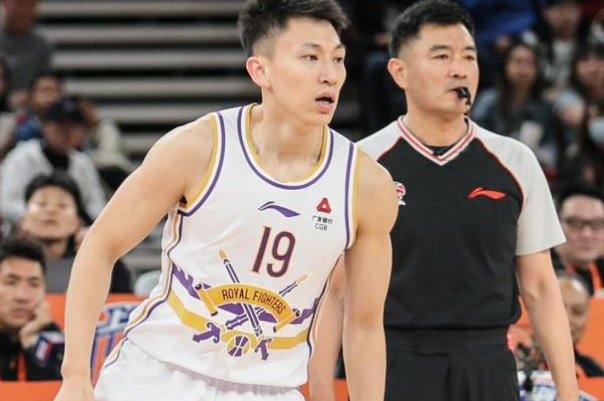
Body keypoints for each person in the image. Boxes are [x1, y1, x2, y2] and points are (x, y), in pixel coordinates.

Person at [54, 1, 398, 401]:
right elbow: (100, 246)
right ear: (260, 70)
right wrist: (74, 375)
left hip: (271, 389)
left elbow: (364, 325)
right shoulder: (198, 147)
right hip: (157, 376)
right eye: (310, 57)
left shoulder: (367, 185)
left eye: (337, 59)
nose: (330, 74)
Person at [310, 1, 578, 401]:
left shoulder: (515, 160)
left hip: (489, 363)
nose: (460, 69)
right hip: (390, 362)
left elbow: (539, 285)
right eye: (442, 56)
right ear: (399, 72)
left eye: (468, 57)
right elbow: (335, 291)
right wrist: (320, 389)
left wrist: (568, 391)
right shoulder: (361, 163)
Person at [0, 96, 107, 228]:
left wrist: (72, 223)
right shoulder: (22, 156)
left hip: (74, 233)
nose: (66, 131)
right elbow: (8, 203)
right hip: (25, 233)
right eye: (60, 124)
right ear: (45, 126)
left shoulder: (83, 163)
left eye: (73, 126)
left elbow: (96, 206)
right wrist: (45, 220)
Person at [20, 173, 132, 293]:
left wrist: (102, 252)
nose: (51, 210)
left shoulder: (96, 259)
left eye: (62, 205)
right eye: (42, 203)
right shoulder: (7, 259)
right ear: (24, 220)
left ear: (76, 222)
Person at [0, 235, 63, 381]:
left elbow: (54, 390)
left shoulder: (52, 336)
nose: (22, 296)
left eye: (34, 284)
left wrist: (32, 344)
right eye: (11, 282)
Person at [554, 183, 604, 295]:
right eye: (575, 223)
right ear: (556, 224)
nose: (587, 234)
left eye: (597, 224)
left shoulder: (600, 266)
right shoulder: (540, 275)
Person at [0, 0, 53, 107]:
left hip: (30, 109)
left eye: (30, 4)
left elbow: (44, 83)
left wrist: (31, 97)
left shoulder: (43, 43)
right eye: (18, 3)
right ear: (4, 3)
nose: (23, 11)